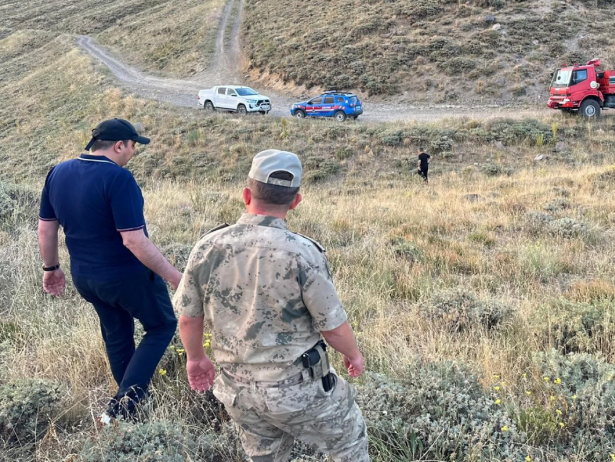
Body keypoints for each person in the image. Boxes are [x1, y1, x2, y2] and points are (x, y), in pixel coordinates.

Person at [174, 149, 368, 462]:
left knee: (264, 456)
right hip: (297, 389)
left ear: (246, 194)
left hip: (237, 390)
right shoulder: (303, 253)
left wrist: (196, 358)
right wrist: (354, 355)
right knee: (348, 443)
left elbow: (188, 318)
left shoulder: (207, 247)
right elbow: (332, 328)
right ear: (295, 202)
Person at [38, 118, 181, 422]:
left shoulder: (57, 173)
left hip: (86, 278)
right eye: (132, 147)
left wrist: (51, 268)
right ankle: (123, 406)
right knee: (161, 326)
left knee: (117, 333)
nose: (133, 153)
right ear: (119, 145)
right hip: (126, 276)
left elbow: (45, 229)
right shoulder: (118, 179)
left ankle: (130, 403)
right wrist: (174, 277)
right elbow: (133, 240)